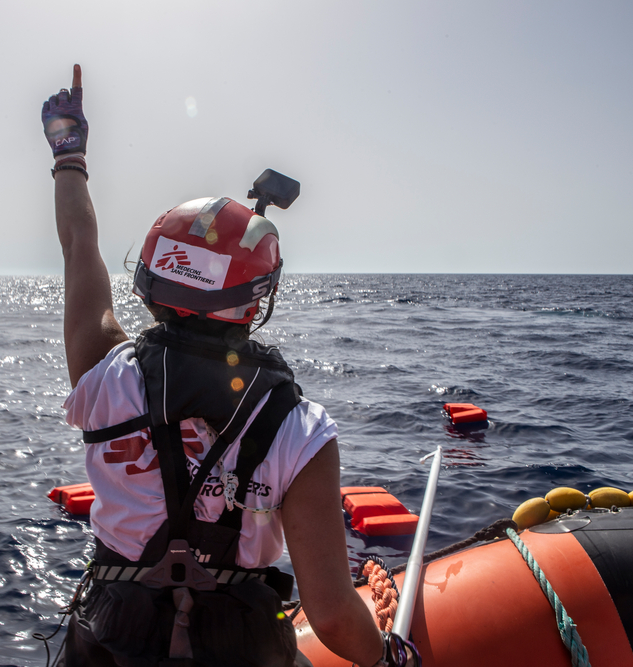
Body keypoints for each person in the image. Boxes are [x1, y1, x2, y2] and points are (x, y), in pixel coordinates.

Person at [44, 64, 418, 667]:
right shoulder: (300, 432)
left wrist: (69, 151)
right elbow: (331, 616)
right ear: (255, 300)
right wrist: (394, 658)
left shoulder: (103, 376)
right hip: (241, 648)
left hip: (112, 642)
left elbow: (78, 242)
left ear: (150, 284)